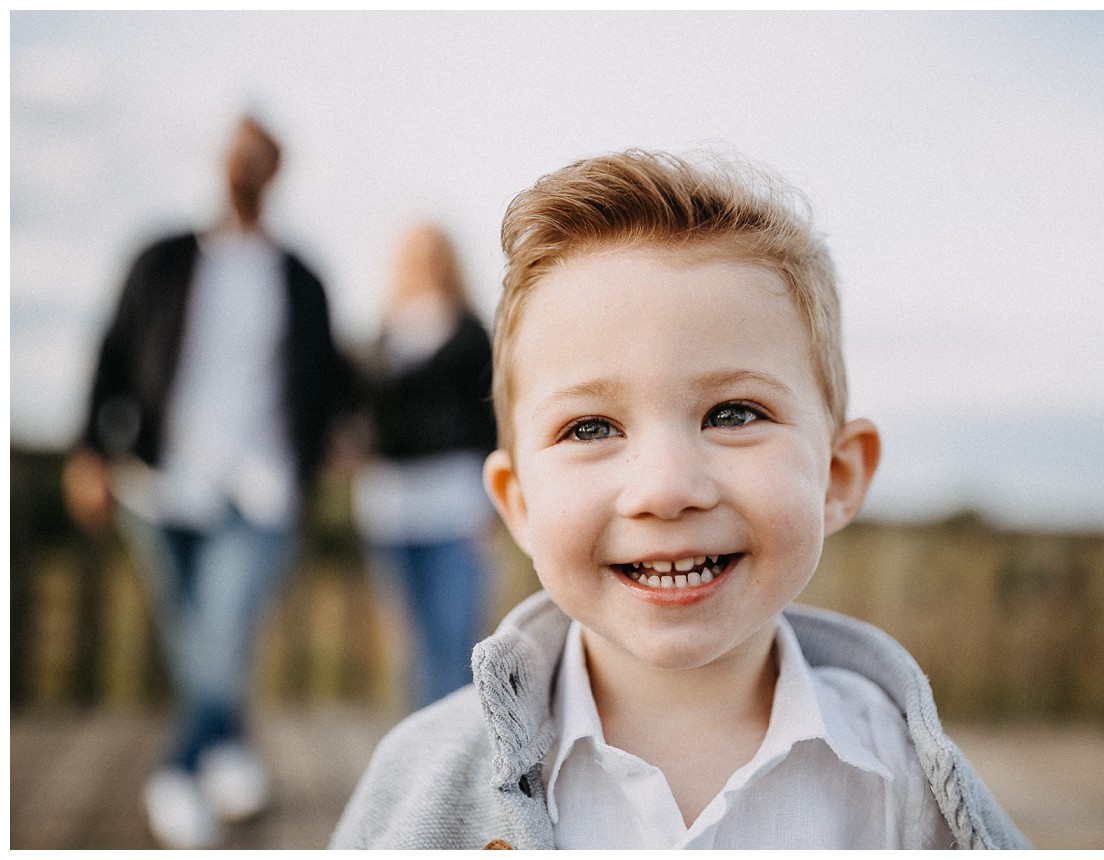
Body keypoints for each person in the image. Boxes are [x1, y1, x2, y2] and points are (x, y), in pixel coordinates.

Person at [329, 150, 1030, 849]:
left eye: (733, 415)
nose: (664, 489)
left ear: (838, 476)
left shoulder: (910, 787)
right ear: (518, 506)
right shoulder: (419, 782)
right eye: (592, 427)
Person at [63, 114, 343, 850]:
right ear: (219, 164)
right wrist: (90, 451)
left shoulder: (302, 276)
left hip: (261, 492)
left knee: (220, 631)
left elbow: (329, 382)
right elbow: (112, 354)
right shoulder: (160, 259)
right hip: (160, 486)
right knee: (198, 640)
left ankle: (178, 772)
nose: (244, 167)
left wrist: (333, 443)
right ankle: (227, 751)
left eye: (259, 156)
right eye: (235, 154)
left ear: (274, 170)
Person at [349, 224, 497, 708]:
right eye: (418, 253)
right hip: (390, 504)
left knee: (455, 635)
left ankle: (456, 751)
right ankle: (419, 746)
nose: (428, 263)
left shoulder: (473, 336)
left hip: (456, 503)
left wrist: (492, 508)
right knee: (409, 642)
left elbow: (493, 420)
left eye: (437, 253)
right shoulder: (383, 337)